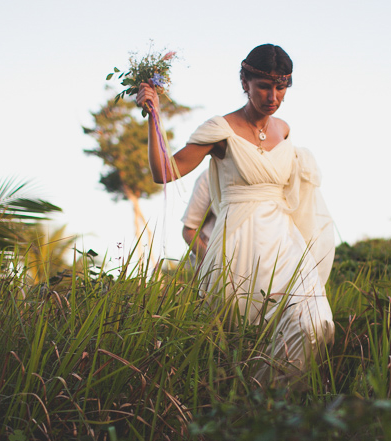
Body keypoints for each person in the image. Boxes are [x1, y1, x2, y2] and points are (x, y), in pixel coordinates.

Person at [138, 43, 335, 383]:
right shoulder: (221, 129)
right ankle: (246, 405)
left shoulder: (284, 129)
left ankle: (274, 399)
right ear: (245, 82)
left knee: (314, 322)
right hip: (239, 245)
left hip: (286, 244)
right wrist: (154, 117)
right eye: (264, 86)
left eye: (280, 87)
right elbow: (164, 172)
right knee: (240, 342)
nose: (272, 96)